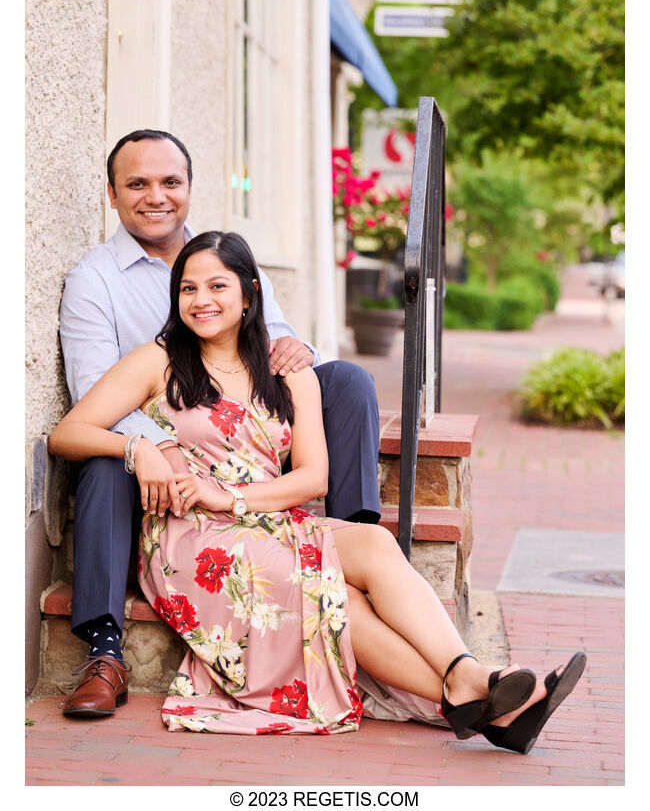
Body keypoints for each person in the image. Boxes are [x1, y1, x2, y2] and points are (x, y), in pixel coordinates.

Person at [49, 231, 586, 751]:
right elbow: (67, 433)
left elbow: (312, 479)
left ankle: (468, 687)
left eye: (217, 286)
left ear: (249, 293)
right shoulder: (158, 360)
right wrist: (138, 450)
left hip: (261, 518)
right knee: (329, 591)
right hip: (191, 540)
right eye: (188, 288)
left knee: (367, 554)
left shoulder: (288, 371)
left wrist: (231, 499)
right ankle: (476, 688)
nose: (201, 300)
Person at [57, 129, 381, 716]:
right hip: (156, 452)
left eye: (169, 182)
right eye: (137, 183)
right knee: (105, 462)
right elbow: (90, 397)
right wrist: (156, 445)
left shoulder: (227, 260)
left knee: (350, 382)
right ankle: (105, 652)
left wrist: (298, 353)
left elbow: (275, 342)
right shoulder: (94, 280)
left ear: (188, 189)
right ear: (111, 194)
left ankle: (350, 545)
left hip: (240, 429)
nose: (156, 196)